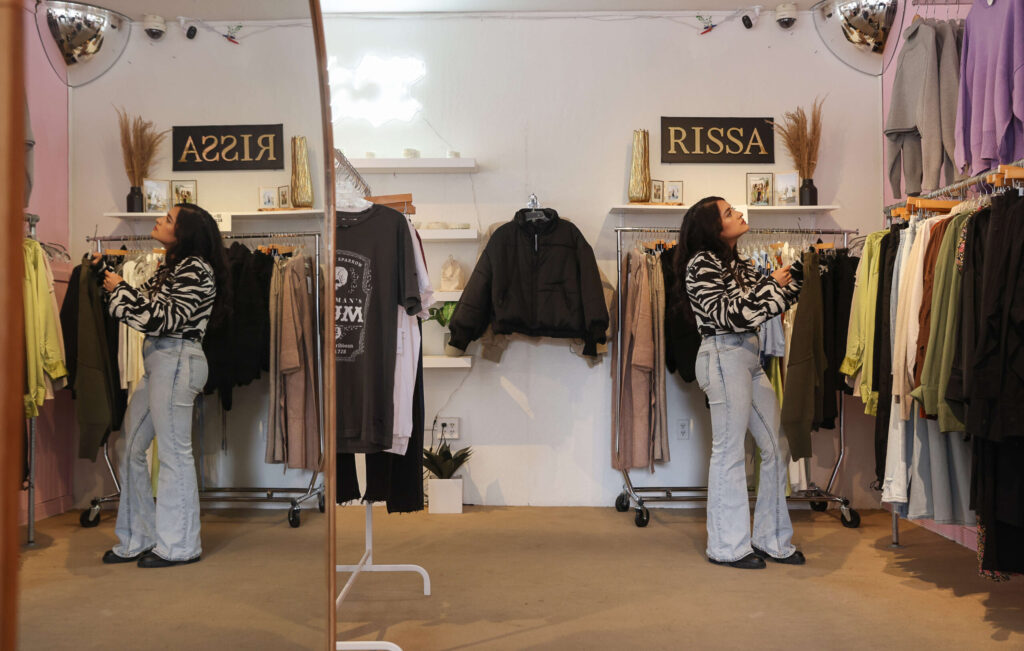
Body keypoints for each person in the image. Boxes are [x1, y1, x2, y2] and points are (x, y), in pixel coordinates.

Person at [673, 196, 805, 570]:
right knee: (729, 452)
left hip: (749, 355)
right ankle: (728, 546)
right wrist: (771, 287)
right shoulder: (701, 264)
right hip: (722, 354)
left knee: (775, 447)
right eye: (729, 213)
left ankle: (771, 540)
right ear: (714, 228)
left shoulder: (738, 263)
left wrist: (796, 277)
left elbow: (768, 304)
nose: (739, 214)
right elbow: (731, 314)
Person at [96, 203, 231, 568]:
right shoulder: (174, 267)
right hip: (161, 360)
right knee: (129, 447)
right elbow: (147, 308)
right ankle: (139, 537)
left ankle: (180, 546)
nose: (160, 220)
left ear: (184, 233)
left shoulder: (195, 268)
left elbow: (162, 319)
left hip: (176, 359)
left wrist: (121, 289)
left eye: (168, 219)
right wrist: (116, 288)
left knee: (173, 454)